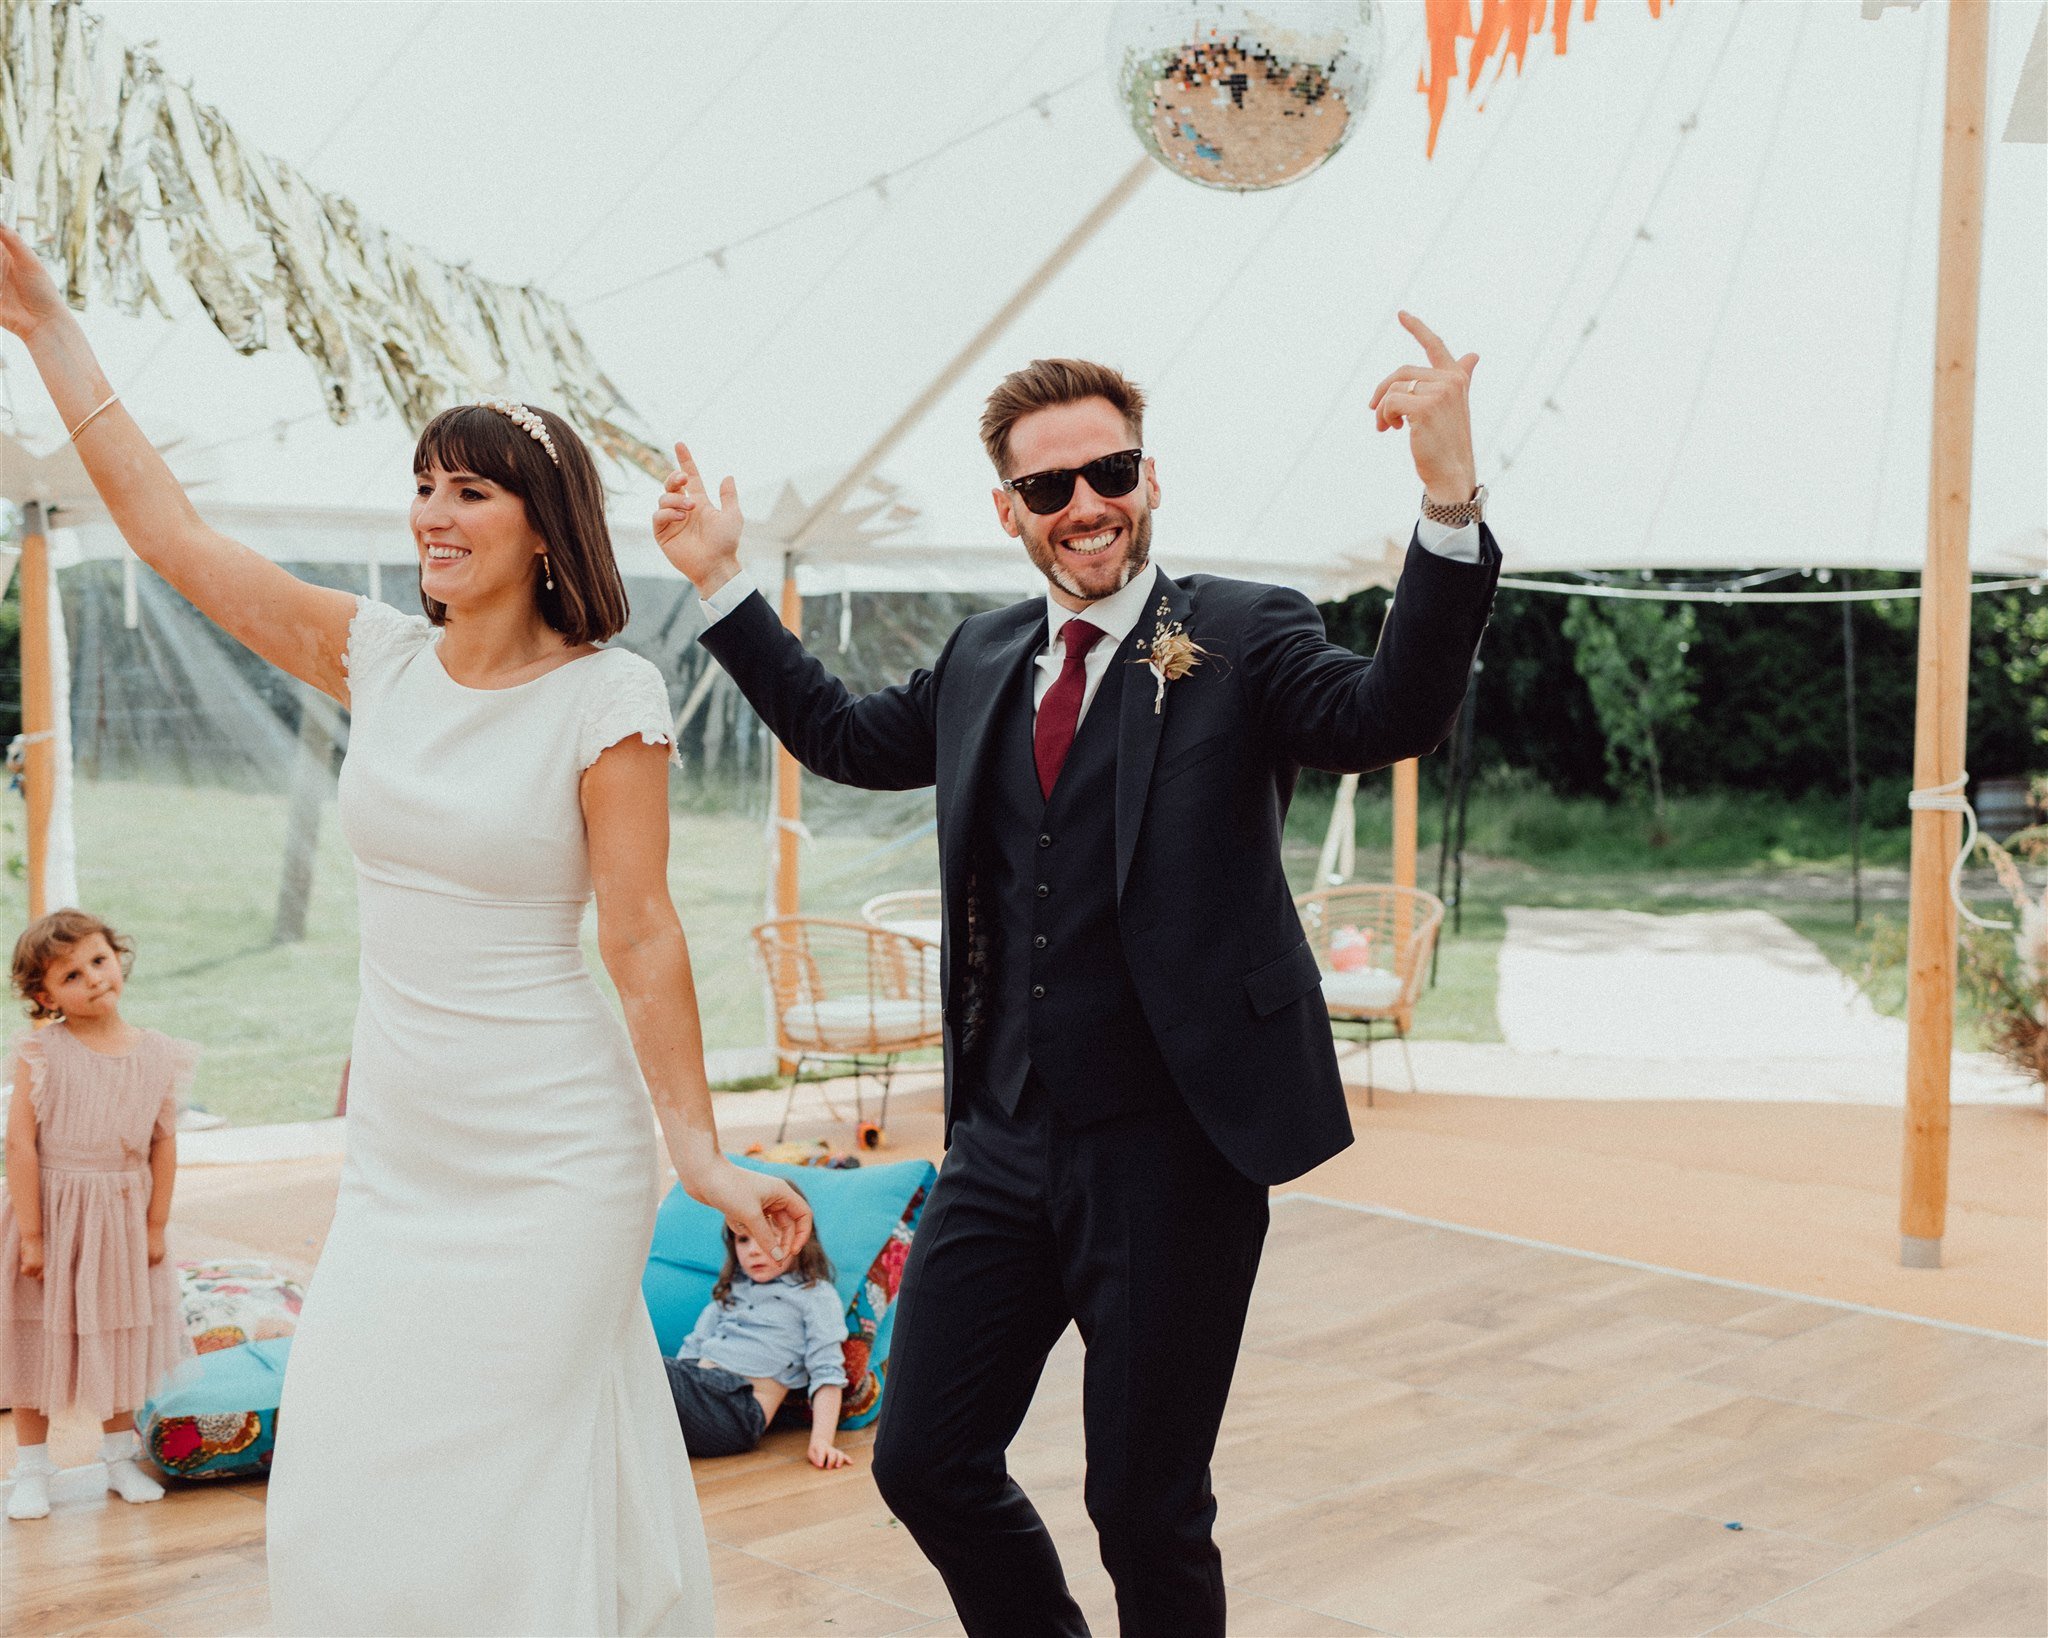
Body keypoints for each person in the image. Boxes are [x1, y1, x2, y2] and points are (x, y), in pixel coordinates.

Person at [0, 221, 810, 1636]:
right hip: (402, 1156)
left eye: (472, 490)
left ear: (544, 524)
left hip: (559, 1152)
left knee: (510, 1475)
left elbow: (642, 934)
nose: (434, 513)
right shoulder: (374, 655)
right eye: (423, 486)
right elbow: (172, 536)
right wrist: (49, 330)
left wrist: (699, 1151)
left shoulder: (605, 697)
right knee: (348, 1460)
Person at [653, 314, 1500, 1636]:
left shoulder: (1241, 630)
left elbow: (1389, 711)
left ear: (1150, 478)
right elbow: (837, 730)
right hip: (1001, 1146)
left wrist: (1448, 499)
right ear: (1010, 509)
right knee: (923, 1460)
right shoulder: (985, 657)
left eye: (1112, 473)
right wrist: (719, 584)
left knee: (1145, 1502)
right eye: (1052, 487)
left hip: (1176, 1150)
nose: (1088, 505)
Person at [1, 910, 193, 1522]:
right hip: (53, 1214)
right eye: (70, 975)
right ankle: (32, 1468)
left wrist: (155, 1223)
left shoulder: (158, 1053)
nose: (92, 979)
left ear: (119, 957)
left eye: (98, 961)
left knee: (117, 1336)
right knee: (36, 1341)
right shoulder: (43, 1052)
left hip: (119, 1218)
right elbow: (19, 1145)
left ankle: (116, 1460)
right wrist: (32, 1233)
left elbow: (164, 1142)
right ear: (44, 995)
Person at [666, 1185, 853, 1470]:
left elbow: (827, 1371)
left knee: (645, 1368)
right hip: (698, 1393)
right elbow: (689, 1355)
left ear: (798, 1237)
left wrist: (822, 1441)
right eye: (743, 1239)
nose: (754, 1251)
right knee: (623, 1371)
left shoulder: (814, 1295)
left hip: (739, 1409)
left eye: (768, 1236)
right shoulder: (729, 1294)